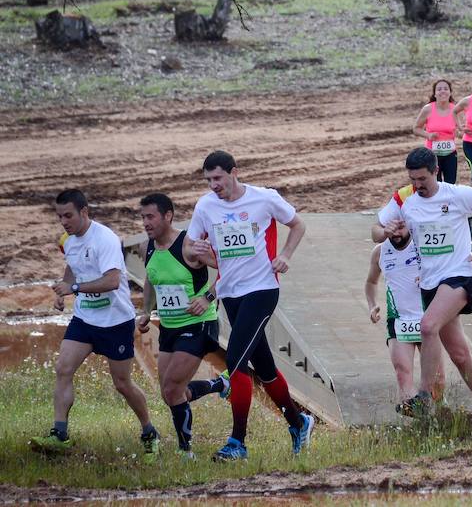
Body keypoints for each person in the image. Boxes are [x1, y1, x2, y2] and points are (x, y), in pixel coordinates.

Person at [185, 150, 314, 460]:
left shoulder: (263, 199)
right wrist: (197, 251)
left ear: (234, 172)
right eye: (208, 180)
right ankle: (299, 423)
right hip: (230, 293)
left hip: (263, 289)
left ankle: (237, 442)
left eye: (218, 178)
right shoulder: (205, 206)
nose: (214, 185)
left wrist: (285, 256)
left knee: (237, 360)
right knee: (266, 370)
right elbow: (190, 249)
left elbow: (298, 225)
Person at [373, 147, 472, 414]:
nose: (417, 185)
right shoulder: (409, 204)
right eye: (412, 179)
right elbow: (377, 233)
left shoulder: (457, 195)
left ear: (436, 171)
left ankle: (423, 396)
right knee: (459, 355)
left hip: (459, 276)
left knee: (427, 326)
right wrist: (391, 231)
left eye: (422, 179)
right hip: (430, 285)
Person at [30, 190, 160, 462]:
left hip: (115, 322)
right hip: (85, 319)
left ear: (84, 212)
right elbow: (72, 266)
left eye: (68, 215)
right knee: (63, 368)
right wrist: (62, 292)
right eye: (59, 216)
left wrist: (74, 287)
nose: (63, 222)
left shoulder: (105, 239)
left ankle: (149, 432)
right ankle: (59, 434)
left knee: (122, 384)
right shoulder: (68, 240)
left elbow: (112, 281)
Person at [136, 193, 226, 459]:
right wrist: (146, 311)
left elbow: (230, 270)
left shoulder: (189, 245)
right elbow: (152, 279)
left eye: (150, 216)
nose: (145, 223)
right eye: (142, 217)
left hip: (199, 324)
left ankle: (186, 452)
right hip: (169, 327)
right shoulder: (146, 247)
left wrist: (207, 297)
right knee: (170, 393)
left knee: (173, 390)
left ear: (168, 216)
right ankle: (220, 385)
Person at [364, 219, 445, 408]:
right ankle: (417, 419)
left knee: (437, 379)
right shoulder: (380, 252)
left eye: (401, 228)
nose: (396, 234)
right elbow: (371, 282)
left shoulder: (423, 245)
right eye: (391, 230)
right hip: (398, 320)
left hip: (428, 318)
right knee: (402, 372)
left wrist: (430, 277)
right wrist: (372, 305)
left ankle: (440, 417)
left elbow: (447, 271)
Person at [413, 79, 459, 184]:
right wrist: (428, 135)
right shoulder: (428, 109)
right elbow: (416, 128)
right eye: (439, 89)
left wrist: (460, 133)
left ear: (450, 92)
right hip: (432, 155)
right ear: (435, 93)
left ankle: (448, 201)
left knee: (450, 185)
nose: (443, 91)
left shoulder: (455, 109)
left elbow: (460, 129)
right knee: (434, 185)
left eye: (446, 89)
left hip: (450, 154)